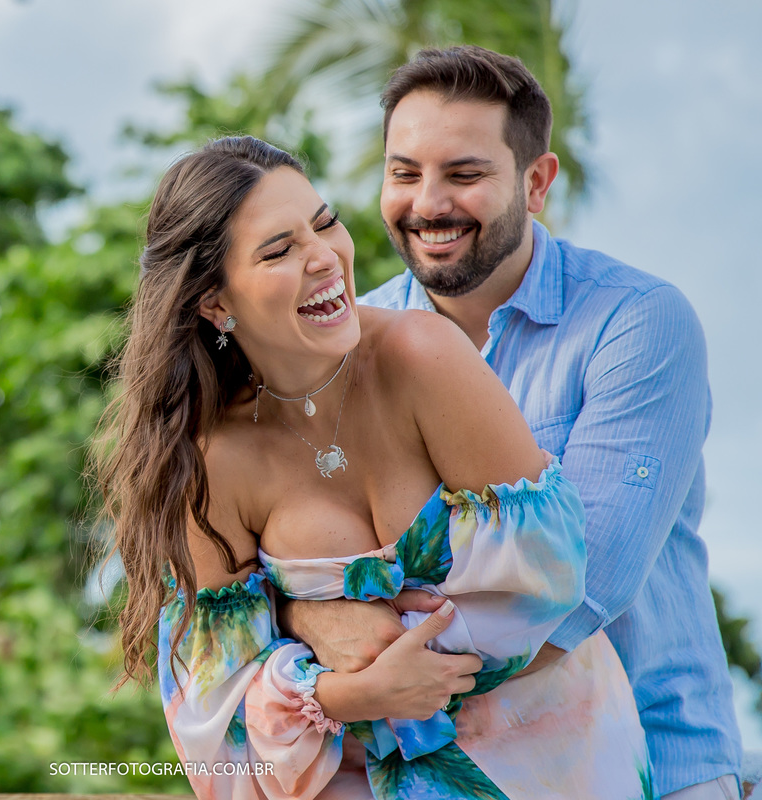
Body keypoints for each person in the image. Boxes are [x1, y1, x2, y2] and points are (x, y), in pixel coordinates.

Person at [96, 134, 651, 799]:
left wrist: (320, 626)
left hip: (556, 760)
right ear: (216, 303)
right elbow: (213, 724)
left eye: (324, 223)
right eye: (279, 250)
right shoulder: (212, 464)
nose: (324, 256)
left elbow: (550, 575)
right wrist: (341, 691)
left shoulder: (423, 356)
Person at [284, 45, 742, 799]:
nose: (427, 203)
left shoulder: (635, 324)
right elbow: (291, 554)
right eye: (403, 173)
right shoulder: (345, 347)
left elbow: (570, 598)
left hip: (652, 770)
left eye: (464, 174)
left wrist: (347, 653)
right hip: (427, 775)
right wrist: (307, 613)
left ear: (536, 183)